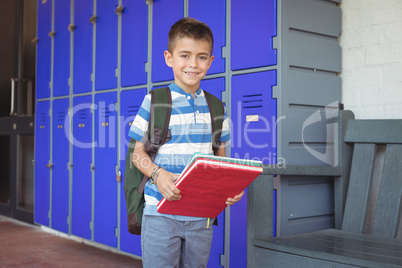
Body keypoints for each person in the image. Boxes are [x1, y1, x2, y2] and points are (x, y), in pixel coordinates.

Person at [128, 17, 244, 267]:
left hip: (201, 214)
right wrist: (158, 174)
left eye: (202, 57)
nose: (193, 64)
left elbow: (220, 158)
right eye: (184, 55)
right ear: (169, 58)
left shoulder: (217, 107)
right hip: (160, 211)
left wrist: (229, 186)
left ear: (211, 61)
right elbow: (137, 154)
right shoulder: (155, 100)